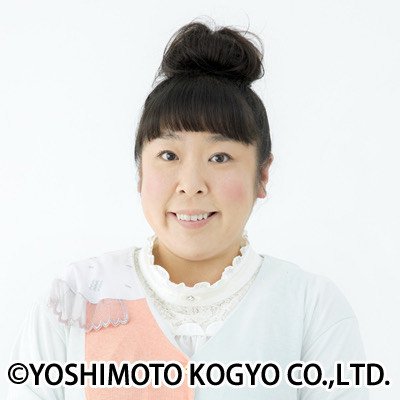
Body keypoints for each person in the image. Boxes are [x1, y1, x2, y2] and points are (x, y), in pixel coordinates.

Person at [7, 20, 368, 400]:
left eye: (220, 157)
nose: (191, 183)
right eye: (169, 155)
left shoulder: (310, 306)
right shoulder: (77, 297)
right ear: (140, 172)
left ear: (262, 174)